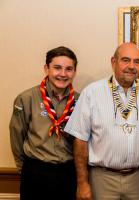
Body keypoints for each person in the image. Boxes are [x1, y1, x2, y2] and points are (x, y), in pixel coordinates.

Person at [64, 42, 139, 200]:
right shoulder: (92, 93)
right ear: (113, 62)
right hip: (103, 178)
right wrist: (82, 183)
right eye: (125, 60)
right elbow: (80, 140)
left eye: (137, 61)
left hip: (138, 178)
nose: (131, 66)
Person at [9, 46, 79, 200]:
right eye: (57, 68)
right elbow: (16, 136)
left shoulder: (80, 101)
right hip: (36, 172)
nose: (63, 74)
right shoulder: (27, 98)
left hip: (68, 173)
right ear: (46, 69)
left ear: (74, 72)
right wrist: (24, 169)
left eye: (69, 69)